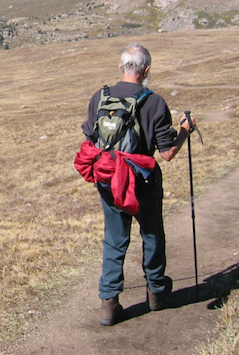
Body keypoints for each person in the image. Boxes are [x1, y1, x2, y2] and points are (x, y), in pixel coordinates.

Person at [79, 42, 195, 326]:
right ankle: (155, 293)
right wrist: (184, 131)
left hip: (109, 180)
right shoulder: (154, 101)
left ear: (120, 68)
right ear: (147, 70)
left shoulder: (100, 97)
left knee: (114, 240)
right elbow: (167, 153)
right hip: (143, 181)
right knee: (152, 233)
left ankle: (108, 303)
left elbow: (89, 139)